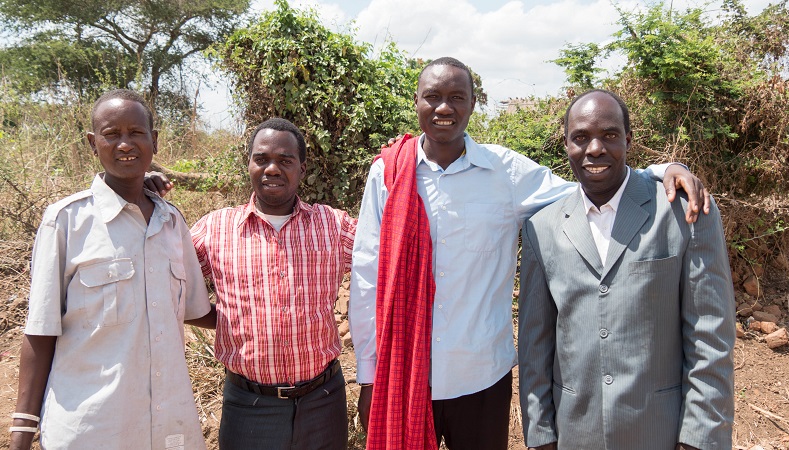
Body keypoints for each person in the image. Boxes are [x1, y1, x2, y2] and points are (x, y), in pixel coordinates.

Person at [349, 57, 712, 450]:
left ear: (474, 103)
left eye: (457, 97)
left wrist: (661, 171)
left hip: (482, 379)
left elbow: (591, 182)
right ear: (416, 102)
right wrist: (369, 377)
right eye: (432, 97)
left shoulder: (505, 172)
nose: (444, 108)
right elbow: (367, 274)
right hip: (404, 373)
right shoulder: (387, 176)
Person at [517, 89, 735, 450]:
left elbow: (709, 336)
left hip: (659, 432)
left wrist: (699, 439)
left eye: (610, 135)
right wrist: (540, 434)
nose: (595, 149)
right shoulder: (542, 227)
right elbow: (535, 346)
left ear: (628, 140)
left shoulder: (685, 215)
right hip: (575, 433)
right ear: (567, 145)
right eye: (581, 137)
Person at [10, 89, 215, 450]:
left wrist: (266, 317)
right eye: (111, 134)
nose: (125, 144)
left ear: (155, 141)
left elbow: (194, 311)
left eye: (136, 133)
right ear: (93, 143)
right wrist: (22, 434)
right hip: (91, 430)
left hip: (169, 429)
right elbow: (40, 332)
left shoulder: (171, 221)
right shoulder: (66, 222)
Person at [188, 118, 356, 449]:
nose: (272, 169)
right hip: (248, 405)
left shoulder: (333, 226)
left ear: (302, 169)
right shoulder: (215, 229)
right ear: (249, 164)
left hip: (322, 401)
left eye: (285, 160)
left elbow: (390, 254)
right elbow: (164, 284)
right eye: (262, 159)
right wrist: (225, 320)